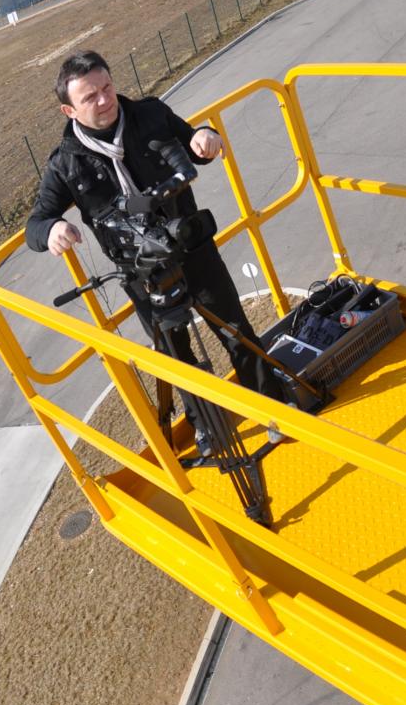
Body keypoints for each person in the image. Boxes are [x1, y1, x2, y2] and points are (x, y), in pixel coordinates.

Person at [25, 50, 287, 450]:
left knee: (235, 330)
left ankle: (276, 408)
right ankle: (210, 431)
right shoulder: (67, 164)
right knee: (177, 358)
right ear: (69, 110)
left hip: (192, 246)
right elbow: (35, 225)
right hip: (143, 275)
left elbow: (194, 142)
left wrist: (204, 136)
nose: (105, 99)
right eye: (90, 97)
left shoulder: (149, 114)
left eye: (107, 87)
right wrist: (54, 228)